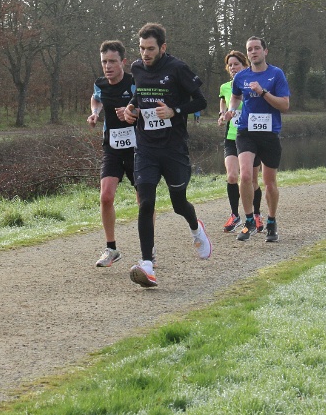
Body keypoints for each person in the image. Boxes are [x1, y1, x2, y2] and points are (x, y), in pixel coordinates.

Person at [123, 22, 211, 288]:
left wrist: (175, 111)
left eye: (150, 49)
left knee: (178, 204)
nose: (145, 54)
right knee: (145, 202)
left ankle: (196, 227)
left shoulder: (177, 68)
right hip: (146, 148)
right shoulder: (137, 68)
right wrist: (130, 109)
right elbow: (139, 98)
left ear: (163, 47)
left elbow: (201, 101)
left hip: (173, 148)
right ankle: (147, 264)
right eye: (141, 48)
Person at [224, 36, 290, 243]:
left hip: (269, 133)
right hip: (246, 132)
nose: (253, 52)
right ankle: (249, 220)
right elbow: (235, 97)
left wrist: (263, 93)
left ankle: (271, 221)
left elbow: (284, 105)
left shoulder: (276, 74)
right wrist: (231, 110)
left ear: (265, 51)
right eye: (250, 49)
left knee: (269, 183)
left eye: (257, 48)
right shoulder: (241, 77)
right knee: (245, 176)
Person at [87, 40, 137, 268]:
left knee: (144, 199)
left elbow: (145, 105)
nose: (107, 66)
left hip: (137, 148)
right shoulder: (100, 83)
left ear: (123, 62)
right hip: (112, 148)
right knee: (106, 196)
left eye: (112, 62)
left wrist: (131, 110)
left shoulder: (134, 82)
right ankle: (111, 249)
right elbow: (96, 98)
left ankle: (149, 249)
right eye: (104, 62)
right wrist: (95, 113)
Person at [218, 50, 262, 232]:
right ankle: (235, 215)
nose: (233, 68)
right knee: (232, 176)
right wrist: (222, 115)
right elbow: (223, 104)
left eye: (236, 64)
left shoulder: (252, 85)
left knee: (251, 180)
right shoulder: (224, 87)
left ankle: (256, 215)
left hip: (251, 137)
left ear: (245, 65)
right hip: (231, 137)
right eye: (230, 65)